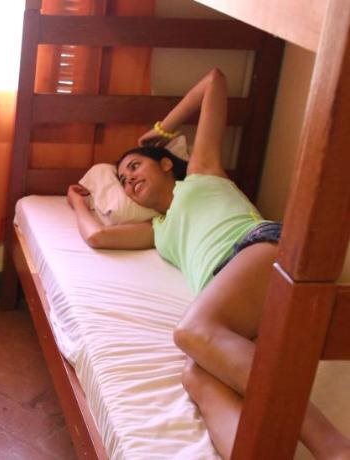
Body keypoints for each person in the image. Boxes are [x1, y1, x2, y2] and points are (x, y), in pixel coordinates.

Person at [66, 68, 350, 459]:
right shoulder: (157, 230)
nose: (128, 181)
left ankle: (334, 447)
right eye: (123, 180)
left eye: (134, 166)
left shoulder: (202, 172)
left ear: (166, 164)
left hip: (259, 249)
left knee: (192, 332)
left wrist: (162, 130)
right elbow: (97, 238)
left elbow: (214, 81)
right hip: (233, 294)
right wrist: (77, 202)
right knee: (196, 376)